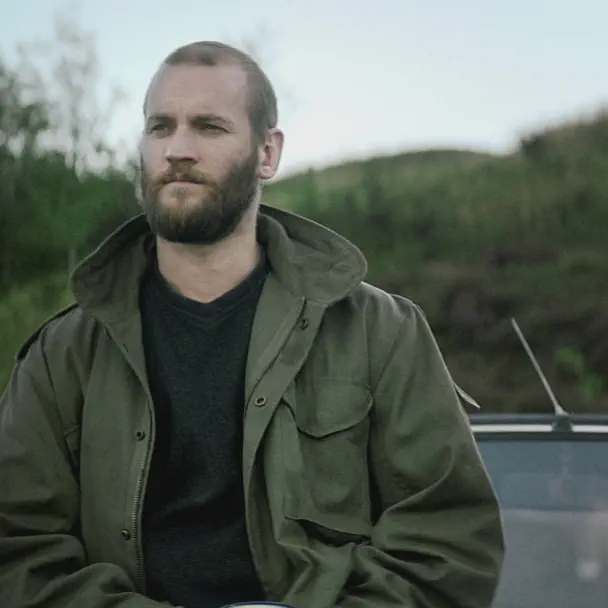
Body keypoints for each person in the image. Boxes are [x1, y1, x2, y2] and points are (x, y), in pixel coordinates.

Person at [0, 41, 505, 608]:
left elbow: (446, 544)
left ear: (267, 153)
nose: (178, 150)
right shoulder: (65, 354)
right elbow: (18, 552)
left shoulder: (380, 333)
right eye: (160, 127)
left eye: (209, 127)